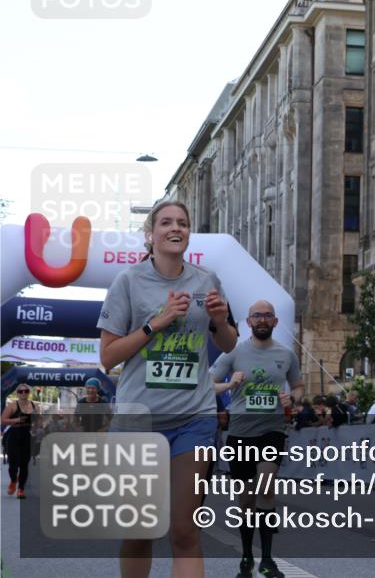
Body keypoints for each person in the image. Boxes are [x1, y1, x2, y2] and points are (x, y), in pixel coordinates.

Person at [98, 200, 239, 578]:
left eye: (182, 222)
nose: (175, 228)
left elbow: (227, 344)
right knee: (140, 531)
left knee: (184, 529)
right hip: (139, 422)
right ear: (151, 234)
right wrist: (156, 323)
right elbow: (108, 357)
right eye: (165, 222)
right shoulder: (128, 282)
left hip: (194, 418)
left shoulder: (206, 280)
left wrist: (221, 320)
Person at [211, 299, 304, 578]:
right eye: (257, 316)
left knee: (266, 488)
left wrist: (293, 398)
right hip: (240, 432)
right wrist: (230, 384)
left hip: (272, 429)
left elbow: (298, 387)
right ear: (248, 322)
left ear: (275, 322)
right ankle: (247, 556)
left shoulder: (286, 354)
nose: (262, 320)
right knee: (246, 500)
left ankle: (267, 559)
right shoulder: (234, 353)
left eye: (268, 316)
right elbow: (209, 384)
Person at [1, 385, 36, 498]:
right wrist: (17, 420)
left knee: (24, 464)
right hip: (13, 436)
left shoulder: (34, 405)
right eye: (21, 391)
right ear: (17, 393)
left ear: (29, 392)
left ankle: (21, 489)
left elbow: (38, 421)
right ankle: (13, 481)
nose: (23, 393)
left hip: (27, 436)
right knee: (13, 465)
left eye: (26, 391)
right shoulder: (12, 406)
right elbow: (2, 420)